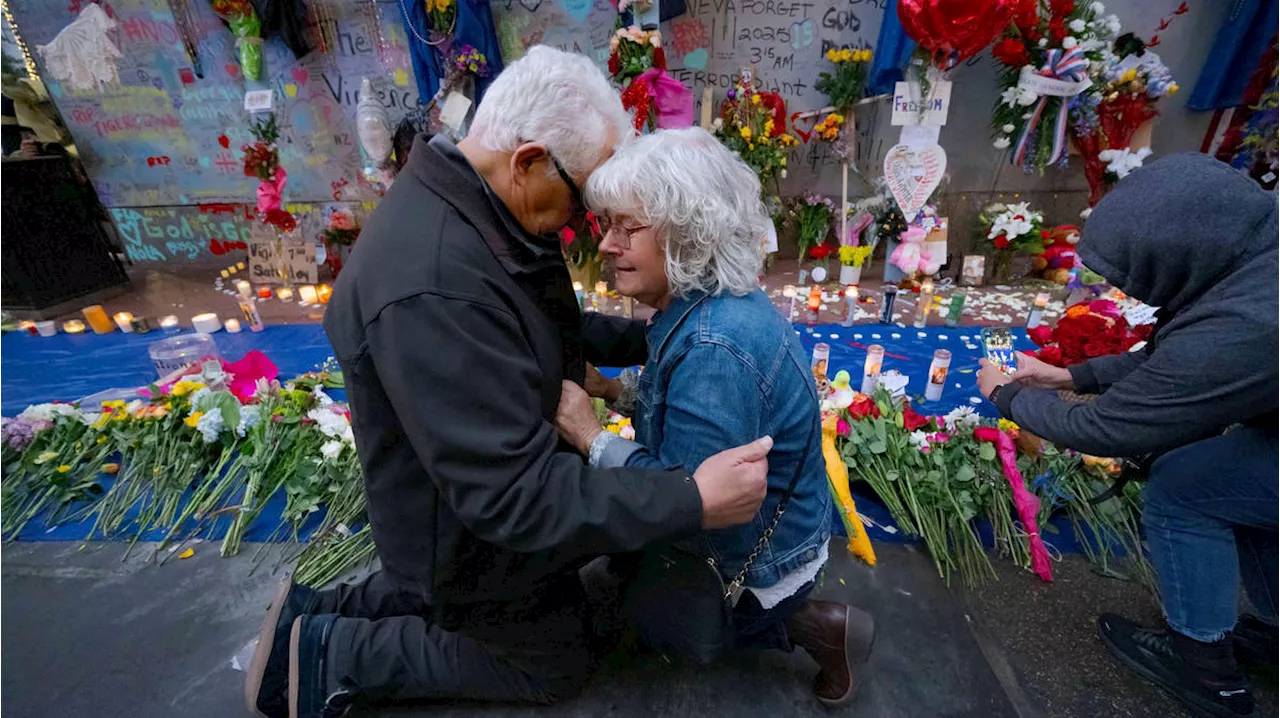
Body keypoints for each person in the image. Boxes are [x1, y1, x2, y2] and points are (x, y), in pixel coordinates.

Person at [244, 46, 775, 718]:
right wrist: (691, 498)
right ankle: (331, 658)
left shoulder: (483, 205)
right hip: (462, 536)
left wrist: (661, 337)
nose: (592, 227)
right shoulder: (434, 284)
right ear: (528, 161)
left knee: (564, 599)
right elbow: (514, 498)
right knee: (555, 658)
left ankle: (313, 613)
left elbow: (545, 322)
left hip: (467, 501)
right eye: (586, 197)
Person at [553, 127, 875, 707]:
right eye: (609, 225)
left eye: (628, 228)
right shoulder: (711, 304)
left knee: (597, 613)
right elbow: (679, 411)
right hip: (771, 526)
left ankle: (812, 626)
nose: (605, 245)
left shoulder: (712, 344)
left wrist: (588, 434)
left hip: (749, 558)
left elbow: (692, 502)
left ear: (686, 233)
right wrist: (615, 389)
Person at [977, 153, 1280, 718]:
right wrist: (1071, 375)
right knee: (1237, 483)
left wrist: (1008, 395)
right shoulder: (1253, 251)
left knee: (1184, 487)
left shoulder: (1256, 320)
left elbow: (1108, 427)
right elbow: (1181, 359)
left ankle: (1205, 669)